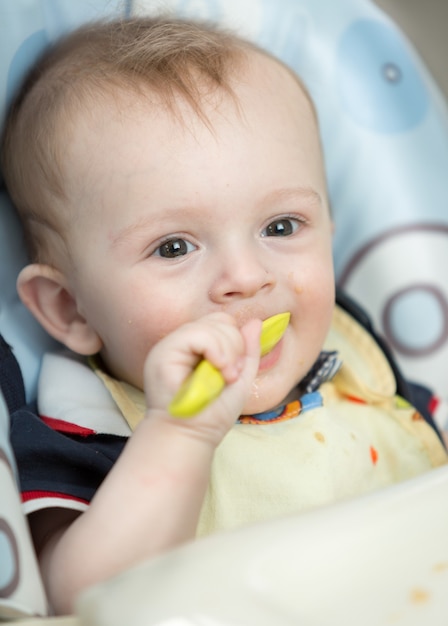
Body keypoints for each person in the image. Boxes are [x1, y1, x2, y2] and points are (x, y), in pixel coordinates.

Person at [1, 16, 447, 615]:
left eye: (281, 227)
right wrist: (179, 433)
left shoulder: (358, 368)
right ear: (70, 307)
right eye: (174, 247)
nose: (246, 277)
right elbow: (81, 596)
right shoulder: (91, 425)